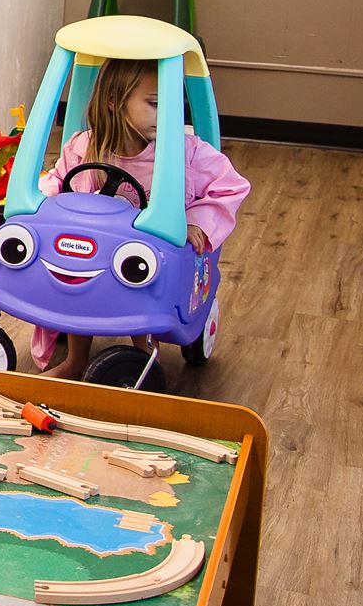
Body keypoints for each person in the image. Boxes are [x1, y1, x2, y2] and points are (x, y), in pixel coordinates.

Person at [29, 55, 250, 381]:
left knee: (141, 283)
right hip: (96, 258)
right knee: (76, 270)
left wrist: (195, 221)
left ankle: (144, 357)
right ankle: (76, 360)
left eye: (172, 106)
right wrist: (34, 206)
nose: (167, 117)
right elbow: (58, 181)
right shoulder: (86, 147)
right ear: (114, 101)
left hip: (152, 264)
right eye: (155, 104)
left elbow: (231, 186)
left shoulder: (184, 153)